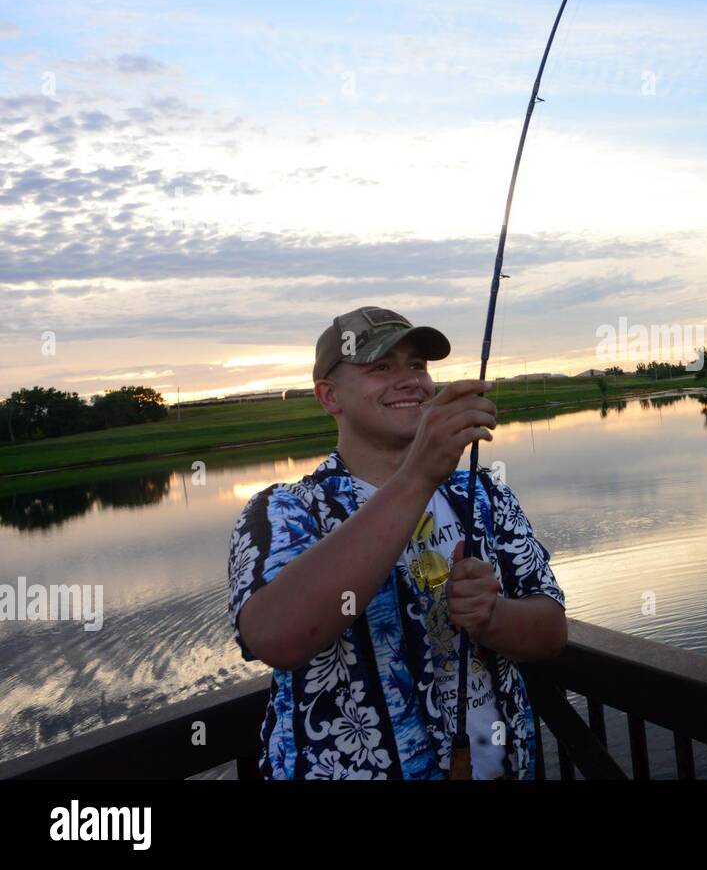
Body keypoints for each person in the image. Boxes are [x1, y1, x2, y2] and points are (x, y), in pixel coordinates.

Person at [226, 305, 567, 779]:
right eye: (379, 368)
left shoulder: (484, 493)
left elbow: (552, 631)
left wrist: (492, 616)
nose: (409, 381)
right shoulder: (283, 511)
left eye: (417, 366)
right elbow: (276, 638)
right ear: (329, 396)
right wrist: (417, 478)